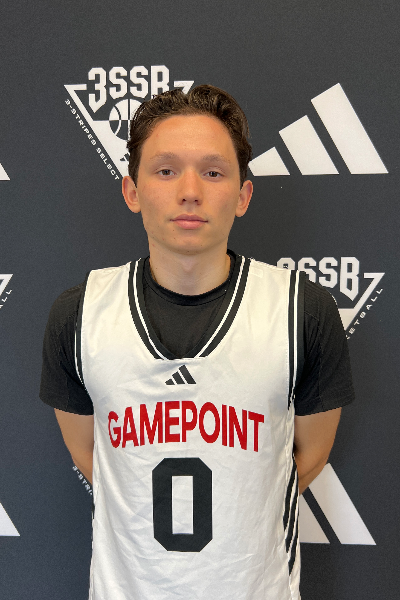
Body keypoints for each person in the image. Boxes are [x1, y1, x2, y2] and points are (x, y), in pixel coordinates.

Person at [40, 85, 354, 600]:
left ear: (243, 195)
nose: (190, 191)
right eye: (166, 170)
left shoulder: (301, 310)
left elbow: (309, 455)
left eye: (213, 172)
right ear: (132, 191)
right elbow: (91, 456)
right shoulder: (79, 314)